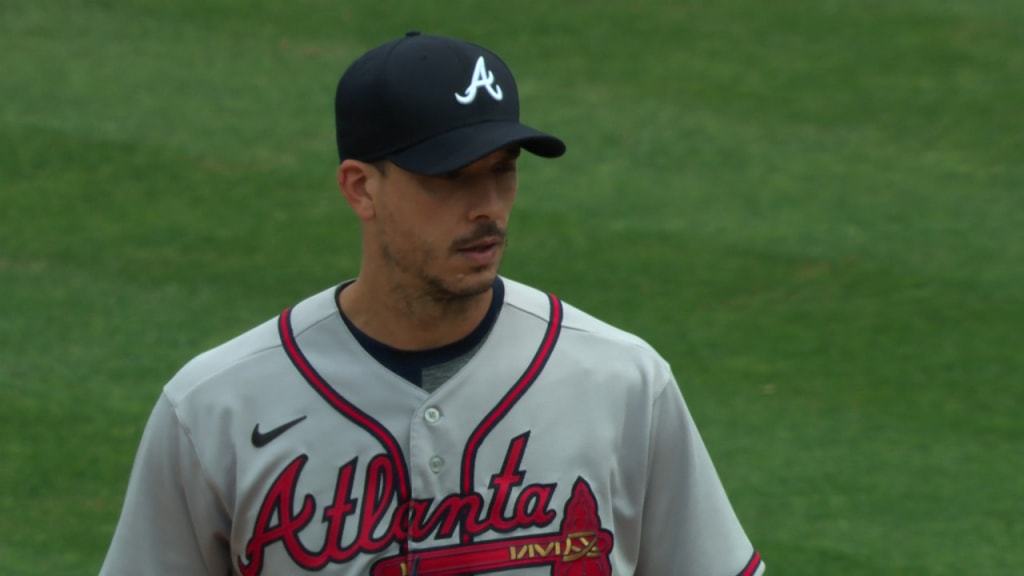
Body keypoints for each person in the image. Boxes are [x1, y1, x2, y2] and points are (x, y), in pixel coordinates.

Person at [100, 31, 765, 576]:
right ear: (360, 188)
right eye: (449, 178)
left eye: (503, 170)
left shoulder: (623, 382)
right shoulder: (215, 407)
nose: (487, 209)